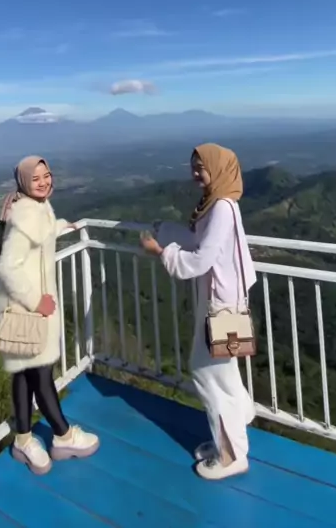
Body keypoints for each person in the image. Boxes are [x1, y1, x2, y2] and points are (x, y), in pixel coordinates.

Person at [140, 143, 256, 481]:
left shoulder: (222, 207)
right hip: (226, 302)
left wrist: (161, 252)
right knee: (222, 371)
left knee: (206, 374)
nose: (194, 172)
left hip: (222, 306)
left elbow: (202, 258)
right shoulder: (218, 202)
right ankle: (235, 427)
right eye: (192, 165)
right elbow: (199, 239)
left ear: (217, 168)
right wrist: (166, 231)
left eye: (200, 166)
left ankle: (232, 454)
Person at [0, 155, 99, 474]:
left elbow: (40, 233)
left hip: (21, 310)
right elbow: (8, 266)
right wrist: (36, 301)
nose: (43, 182)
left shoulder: (33, 207)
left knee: (24, 374)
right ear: (24, 182)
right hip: (28, 309)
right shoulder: (26, 215)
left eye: (46, 175)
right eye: (35, 178)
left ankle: (23, 441)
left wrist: (61, 226)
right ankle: (63, 436)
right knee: (41, 375)